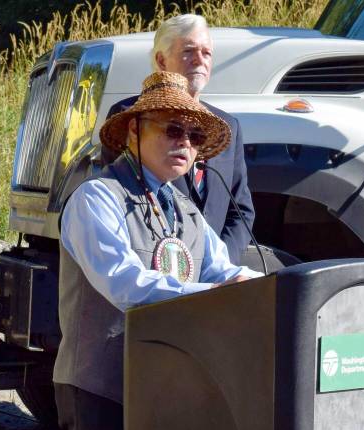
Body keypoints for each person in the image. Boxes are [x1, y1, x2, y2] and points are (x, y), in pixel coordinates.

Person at [47, 71, 259, 430]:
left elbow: (221, 270)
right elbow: (126, 285)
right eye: (172, 130)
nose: (185, 143)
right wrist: (216, 294)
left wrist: (271, 286)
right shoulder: (96, 198)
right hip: (100, 381)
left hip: (162, 387)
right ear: (135, 130)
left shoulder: (184, 208)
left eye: (193, 135)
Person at [107, 14, 255, 264]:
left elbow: (241, 212)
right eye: (189, 51)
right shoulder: (130, 117)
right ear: (161, 60)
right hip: (155, 272)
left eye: (207, 53)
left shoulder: (227, 126)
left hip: (213, 284)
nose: (200, 60)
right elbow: (123, 196)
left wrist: (216, 266)